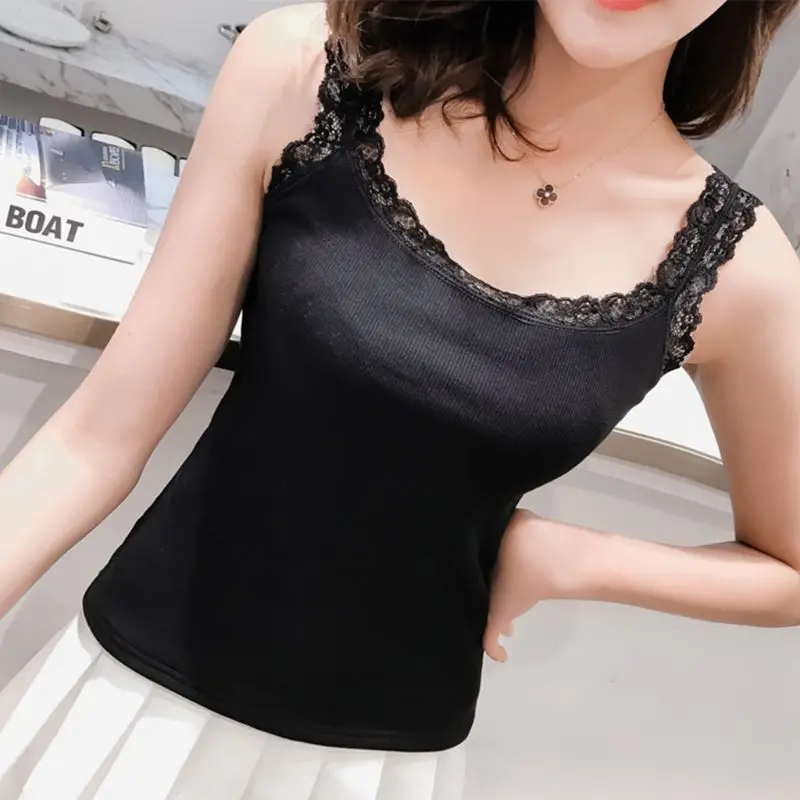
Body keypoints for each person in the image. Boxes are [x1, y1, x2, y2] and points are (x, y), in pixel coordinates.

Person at [1, 0, 799, 797]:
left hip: (376, 771)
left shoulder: (739, 268)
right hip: (128, 719)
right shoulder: (306, 69)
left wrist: (580, 558)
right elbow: (93, 440)